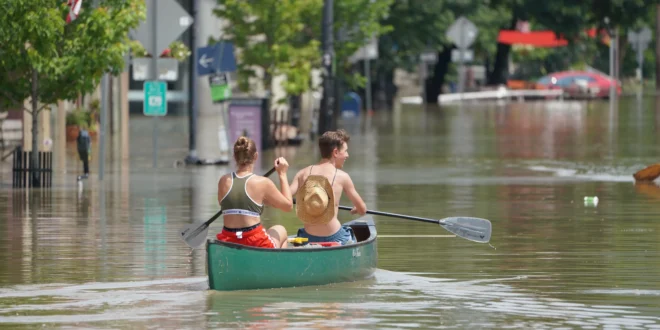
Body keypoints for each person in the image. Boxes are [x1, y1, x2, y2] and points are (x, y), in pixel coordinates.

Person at [289, 129, 367, 245]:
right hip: (336, 237)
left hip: (308, 238)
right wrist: (357, 209)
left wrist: (281, 174)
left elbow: (284, 199)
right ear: (335, 152)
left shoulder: (302, 174)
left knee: (300, 233)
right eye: (345, 151)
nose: (347, 155)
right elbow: (362, 210)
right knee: (352, 233)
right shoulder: (343, 177)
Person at [216, 136, 293, 248]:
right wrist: (282, 173)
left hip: (228, 239)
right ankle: (276, 263)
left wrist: (261, 201)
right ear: (256, 156)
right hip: (254, 241)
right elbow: (288, 206)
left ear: (234, 157)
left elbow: (226, 205)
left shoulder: (223, 181)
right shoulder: (263, 182)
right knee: (280, 230)